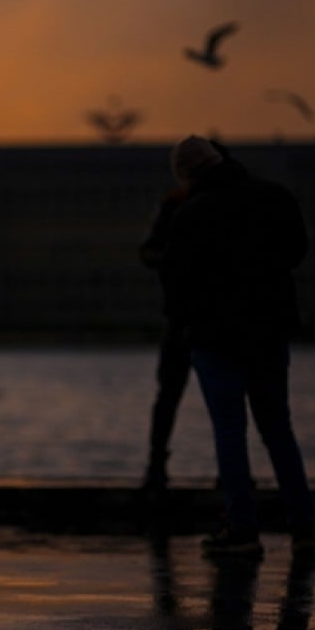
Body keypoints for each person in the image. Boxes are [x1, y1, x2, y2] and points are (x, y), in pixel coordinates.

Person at [162, 135, 315, 558]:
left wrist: (184, 323)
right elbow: (296, 252)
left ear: (189, 173)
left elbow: (177, 280)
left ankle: (243, 529)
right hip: (268, 331)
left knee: (230, 432)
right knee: (278, 430)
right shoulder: (274, 197)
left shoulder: (191, 213)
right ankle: (305, 527)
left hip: (215, 337)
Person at [138, 184, 193, 492]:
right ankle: (157, 464)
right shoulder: (173, 205)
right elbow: (149, 252)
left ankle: (157, 465)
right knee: (171, 396)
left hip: (186, 317)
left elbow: (148, 252)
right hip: (188, 317)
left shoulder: (173, 204)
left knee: (169, 397)